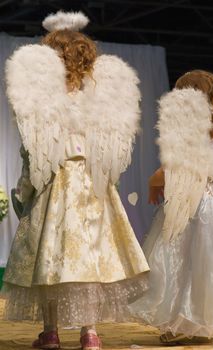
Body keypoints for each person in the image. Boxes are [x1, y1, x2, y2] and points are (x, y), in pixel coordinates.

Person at [3, 10, 149, 350]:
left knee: (51, 260)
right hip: (92, 185)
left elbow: (32, 150)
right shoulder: (99, 98)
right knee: (91, 258)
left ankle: (51, 333)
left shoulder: (43, 100)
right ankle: (90, 332)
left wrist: (28, 187)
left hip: (55, 182)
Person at [130, 70, 213, 345]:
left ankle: (187, 325)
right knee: (204, 268)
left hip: (191, 207)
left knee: (184, 267)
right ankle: (197, 323)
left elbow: (170, 171)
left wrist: (154, 182)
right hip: (211, 206)